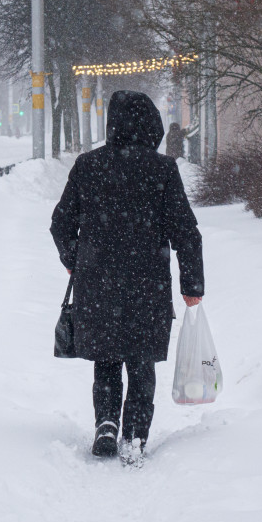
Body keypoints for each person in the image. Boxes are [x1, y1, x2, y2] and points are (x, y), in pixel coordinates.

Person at [50, 90, 204, 463]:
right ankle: (134, 436)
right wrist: (192, 286)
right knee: (140, 363)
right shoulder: (162, 169)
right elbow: (186, 231)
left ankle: (106, 423)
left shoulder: (88, 165)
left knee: (106, 360)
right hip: (146, 283)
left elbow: (60, 223)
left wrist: (76, 261)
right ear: (152, 125)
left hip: (98, 284)